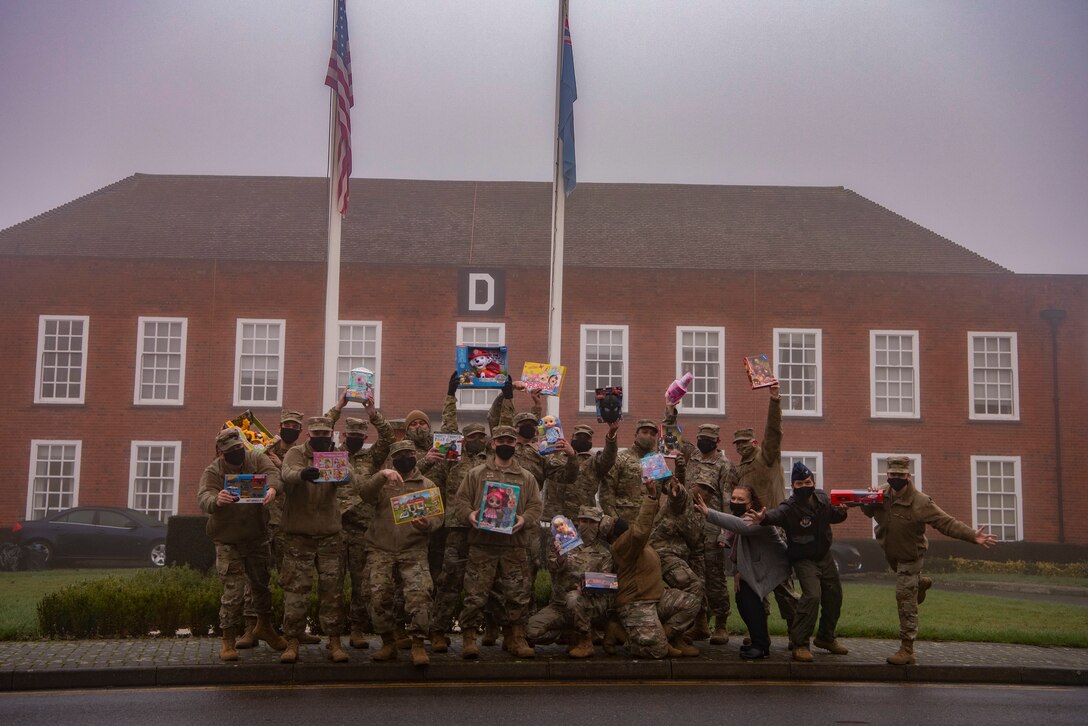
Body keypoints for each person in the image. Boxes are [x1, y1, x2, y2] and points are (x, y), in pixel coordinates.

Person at [861, 456, 998, 665]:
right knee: (908, 587)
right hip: (893, 555)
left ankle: (907, 649)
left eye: (901, 475)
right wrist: (867, 501)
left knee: (904, 598)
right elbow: (870, 511)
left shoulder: (921, 502)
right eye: (892, 475)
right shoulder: (881, 494)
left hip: (911, 557)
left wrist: (972, 535)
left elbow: (946, 522)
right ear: (887, 475)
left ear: (908, 476)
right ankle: (920, 583)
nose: (896, 478)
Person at [453, 425, 543, 659]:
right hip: (483, 544)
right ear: (493, 444)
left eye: (510, 441)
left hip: (514, 545)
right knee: (475, 593)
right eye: (501, 440)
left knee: (518, 594)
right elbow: (461, 501)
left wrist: (524, 519)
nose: (506, 444)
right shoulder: (476, 474)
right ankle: (470, 638)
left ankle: (516, 638)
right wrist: (470, 515)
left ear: (515, 445)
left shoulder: (527, 477)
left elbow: (536, 506)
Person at [197, 428, 287, 660]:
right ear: (220, 451)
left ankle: (265, 627)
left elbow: (274, 474)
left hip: (256, 535)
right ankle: (228, 640)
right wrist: (216, 500)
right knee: (233, 593)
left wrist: (272, 489)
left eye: (239, 448)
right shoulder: (214, 470)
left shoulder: (256, 458)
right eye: (231, 450)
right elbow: (203, 496)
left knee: (262, 586)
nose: (237, 452)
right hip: (228, 540)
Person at [746, 461, 848, 662]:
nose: (804, 486)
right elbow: (776, 515)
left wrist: (842, 512)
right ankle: (800, 643)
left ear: (813, 481)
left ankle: (826, 638)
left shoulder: (822, 498)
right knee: (812, 596)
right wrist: (763, 518)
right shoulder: (790, 507)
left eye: (807, 482)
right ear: (793, 486)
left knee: (835, 596)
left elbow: (833, 516)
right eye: (799, 484)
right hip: (804, 559)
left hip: (824, 556)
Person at [360, 440, 442, 666]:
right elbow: (365, 494)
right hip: (380, 548)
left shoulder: (427, 484)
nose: (404, 458)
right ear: (392, 459)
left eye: (408, 453)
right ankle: (388, 643)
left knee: (420, 596)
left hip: (413, 549)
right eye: (399, 455)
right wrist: (382, 475)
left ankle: (417, 644)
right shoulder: (384, 483)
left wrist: (428, 525)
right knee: (377, 597)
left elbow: (438, 519)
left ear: (416, 455)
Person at [278, 416, 353, 664]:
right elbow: (286, 473)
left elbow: (349, 476)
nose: (322, 438)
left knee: (332, 592)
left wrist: (339, 472)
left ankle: (334, 641)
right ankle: (292, 640)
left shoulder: (336, 454)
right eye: (317, 434)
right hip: (299, 535)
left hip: (329, 534)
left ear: (330, 435)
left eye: (326, 434)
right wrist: (303, 474)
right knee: (295, 591)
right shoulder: (296, 454)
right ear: (309, 435)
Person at [663, 402, 736, 645]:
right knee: (693, 577)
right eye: (701, 437)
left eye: (709, 439)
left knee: (714, 578)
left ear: (717, 441)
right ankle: (700, 623)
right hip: (687, 528)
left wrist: (726, 534)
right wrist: (671, 411)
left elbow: (728, 501)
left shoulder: (725, 465)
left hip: (712, 528)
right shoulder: (690, 456)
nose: (704, 441)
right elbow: (670, 436)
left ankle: (722, 624)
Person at [325, 394, 394, 650]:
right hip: (334, 528)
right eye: (350, 435)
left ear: (365, 438)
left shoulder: (372, 458)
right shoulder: (331, 456)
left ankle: (357, 630)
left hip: (362, 529)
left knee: (360, 583)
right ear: (343, 435)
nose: (354, 439)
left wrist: (373, 413)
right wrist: (339, 407)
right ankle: (333, 636)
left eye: (359, 436)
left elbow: (388, 439)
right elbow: (321, 430)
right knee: (332, 585)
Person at [609, 476, 701, 659]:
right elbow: (640, 531)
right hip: (636, 602)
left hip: (656, 599)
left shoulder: (640, 542)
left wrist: (675, 489)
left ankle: (666, 638)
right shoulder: (623, 545)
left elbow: (670, 510)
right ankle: (619, 633)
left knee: (691, 601)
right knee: (656, 651)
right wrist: (651, 498)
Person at [694, 484, 789, 659]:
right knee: (743, 601)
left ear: (751, 503)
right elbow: (740, 547)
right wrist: (739, 571)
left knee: (766, 604)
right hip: (756, 567)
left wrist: (709, 513)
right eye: (734, 498)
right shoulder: (741, 517)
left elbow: (740, 527)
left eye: (741, 499)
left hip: (774, 566)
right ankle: (758, 642)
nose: (735, 502)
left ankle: (765, 647)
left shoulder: (757, 519)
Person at [526, 507, 615, 658]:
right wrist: (561, 557)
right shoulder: (564, 543)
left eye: (592, 522)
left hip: (589, 604)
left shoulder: (604, 552)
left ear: (598, 525)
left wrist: (587, 586)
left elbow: (607, 582)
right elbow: (551, 568)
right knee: (529, 631)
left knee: (573, 598)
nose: (587, 525)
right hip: (560, 606)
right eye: (583, 521)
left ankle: (585, 640)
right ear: (577, 522)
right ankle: (568, 634)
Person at [545, 421, 620, 521]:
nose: (582, 439)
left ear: (591, 441)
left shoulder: (595, 461)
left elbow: (609, 458)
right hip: (556, 518)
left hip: (584, 519)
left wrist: (611, 436)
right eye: (579, 436)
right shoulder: (557, 456)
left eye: (586, 438)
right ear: (572, 437)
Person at [727, 383, 784, 510]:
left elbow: (773, 432)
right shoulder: (739, 468)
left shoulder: (766, 457)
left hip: (770, 519)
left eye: (744, 442)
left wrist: (774, 400)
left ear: (754, 443)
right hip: (747, 522)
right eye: (738, 444)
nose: (741, 447)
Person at [601, 419, 664, 522]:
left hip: (650, 524)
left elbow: (670, 489)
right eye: (644, 432)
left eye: (653, 434)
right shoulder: (621, 458)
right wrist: (615, 521)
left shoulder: (656, 462)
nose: (649, 436)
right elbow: (606, 492)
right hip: (624, 523)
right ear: (636, 435)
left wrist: (680, 470)